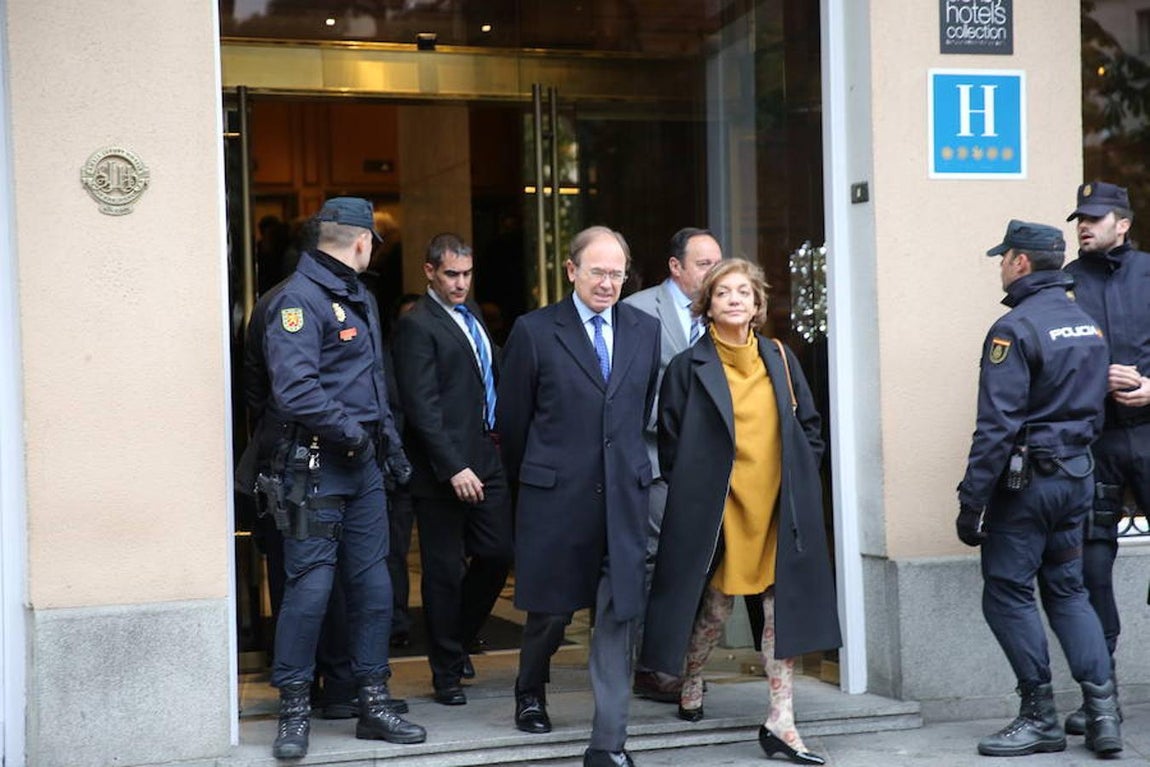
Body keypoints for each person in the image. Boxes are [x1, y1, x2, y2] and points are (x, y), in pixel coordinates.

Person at [640, 257, 840, 766]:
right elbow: (670, 440)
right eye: (724, 292)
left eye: (744, 293)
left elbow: (810, 425)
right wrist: (696, 485)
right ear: (707, 303)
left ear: (757, 305)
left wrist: (798, 471)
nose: (735, 299)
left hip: (777, 501)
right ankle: (693, 677)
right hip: (720, 506)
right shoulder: (689, 366)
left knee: (781, 609)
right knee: (716, 607)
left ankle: (781, 719)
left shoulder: (779, 355)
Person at [251, 197, 426, 759]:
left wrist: (389, 450)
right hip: (315, 467)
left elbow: (375, 385)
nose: (374, 249)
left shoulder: (359, 295)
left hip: (364, 465)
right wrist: (353, 436)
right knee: (311, 588)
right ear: (359, 241)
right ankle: (295, 711)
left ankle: (372, 702)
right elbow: (295, 390)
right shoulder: (297, 301)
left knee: (374, 585)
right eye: (373, 241)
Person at [955, 220, 1121, 758]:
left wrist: (972, 500)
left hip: (1027, 488)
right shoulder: (1087, 325)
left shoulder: (1014, 329)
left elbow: (997, 427)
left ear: (1021, 263)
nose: (1001, 265)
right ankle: (1104, 715)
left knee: (1006, 592)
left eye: (1004, 257)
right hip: (1077, 477)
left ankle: (1039, 716)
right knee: (1069, 592)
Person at [497, 225, 661, 767]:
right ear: (571, 270)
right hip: (557, 501)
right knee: (550, 614)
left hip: (624, 502)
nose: (609, 283)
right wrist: (550, 472)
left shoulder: (644, 329)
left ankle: (607, 744)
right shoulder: (535, 331)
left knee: (617, 620)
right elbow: (515, 424)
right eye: (598, 272)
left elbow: (636, 414)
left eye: (617, 273)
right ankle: (529, 688)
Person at [392, 233, 514, 706]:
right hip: (443, 470)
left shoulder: (473, 314)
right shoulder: (417, 325)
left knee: (498, 552)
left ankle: (459, 638)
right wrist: (453, 466)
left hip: (488, 455)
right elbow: (420, 407)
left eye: (466, 274)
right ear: (429, 272)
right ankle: (445, 671)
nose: (461, 283)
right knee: (442, 571)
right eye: (451, 275)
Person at [1061, 181, 1150, 735]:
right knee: (1092, 569)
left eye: (1095, 218)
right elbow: (1048, 360)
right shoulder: (1064, 284)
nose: (1084, 226)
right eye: (1079, 218)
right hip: (1094, 442)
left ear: (1124, 223)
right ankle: (1101, 699)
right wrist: (1099, 379)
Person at [623, 227, 721, 703]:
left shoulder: (725, 313)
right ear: (675, 267)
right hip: (654, 456)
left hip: (708, 465)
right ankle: (650, 666)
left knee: (696, 564)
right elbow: (624, 391)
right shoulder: (637, 310)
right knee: (655, 560)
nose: (713, 272)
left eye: (716, 262)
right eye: (703, 263)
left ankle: (680, 662)